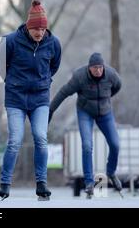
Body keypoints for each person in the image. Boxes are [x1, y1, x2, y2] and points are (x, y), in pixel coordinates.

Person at [0, 0, 61, 201]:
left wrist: (45, 80)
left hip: (40, 98)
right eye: (36, 29)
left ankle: (41, 183)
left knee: (41, 137)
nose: (39, 33)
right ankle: (5, 183)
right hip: (16, 97)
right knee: (15, 140)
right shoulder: (11, 41)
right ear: (28, 26)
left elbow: (54, 65)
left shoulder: (53, 43)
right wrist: (13, 82)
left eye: (43, 29)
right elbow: (0, 65)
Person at [49, 52, 122, 197]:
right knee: (87, 145)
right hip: (85, 112)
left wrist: (106, 98)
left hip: (105, 113)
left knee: (115, 144)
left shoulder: (111, 74)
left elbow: (117, 87)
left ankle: (111, 173)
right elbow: (63, 93)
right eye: (95, 68)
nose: (98, 71)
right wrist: (50, 110)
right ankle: (89, 182)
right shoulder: (79, 77)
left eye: (100, 68)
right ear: (89, 68)